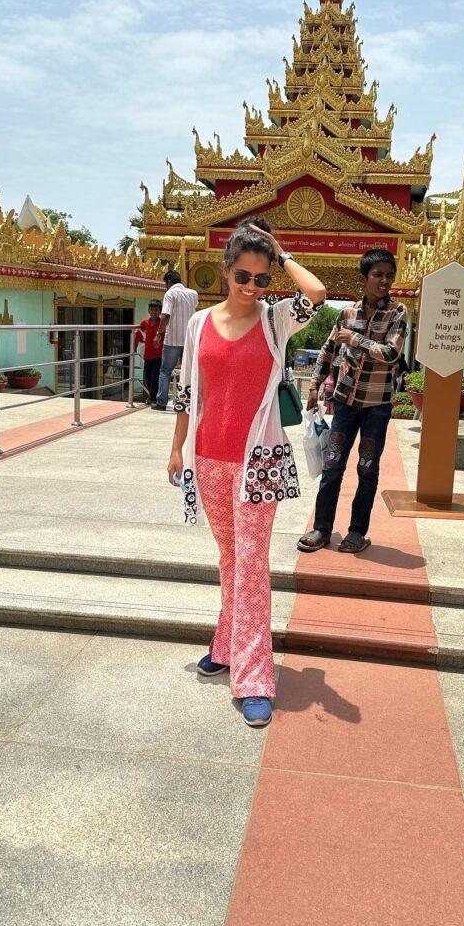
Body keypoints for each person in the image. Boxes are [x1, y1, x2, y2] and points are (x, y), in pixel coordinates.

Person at [167, 217, 325, 727]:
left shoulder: (276, 318)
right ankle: (226, 643)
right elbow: (187, 391)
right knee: (230, 557)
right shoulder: (198, 323)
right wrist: (177, 449)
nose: (253, 287)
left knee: (252, 561)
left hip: (260, 460)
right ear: (225, 272)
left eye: (261, 279)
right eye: (243, 276)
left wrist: (279, 252)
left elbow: (317, 292)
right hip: (209, 456)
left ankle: (255, 676)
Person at [298, 248, 407, 555]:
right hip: (345, 404)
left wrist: (358, 341)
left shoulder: (397, 314)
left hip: (377, 407)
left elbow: (392, 354)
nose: (384, 281)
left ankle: (357, 532)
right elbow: (327, 351)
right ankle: (322, 528)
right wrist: (314, 387)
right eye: (378, 275)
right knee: (332, 466)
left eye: (389, 275)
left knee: (367, 468)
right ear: (364, 278)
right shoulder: (346, 314)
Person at [155, 270, 198, 410]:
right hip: (189, 339)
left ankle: (161, 402)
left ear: (168, 282)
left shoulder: (170, 294)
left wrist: (159, 334)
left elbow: (165, 315)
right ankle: (186, 402)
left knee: (165, 371)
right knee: (189, 372)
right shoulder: (193, 294)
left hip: (172, 339)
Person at [134, 299, 164, 408]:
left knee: (155, 377)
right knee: (147, 378)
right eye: (151, 310)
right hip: (147, 355)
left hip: (159, 355)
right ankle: (151, 396)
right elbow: (138, 334)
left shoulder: (162, 324)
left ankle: (153, 398)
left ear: (160, 311)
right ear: (148, 310)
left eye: (156, 310)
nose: (154, 312)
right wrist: (134, 345)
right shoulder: (144, 323)